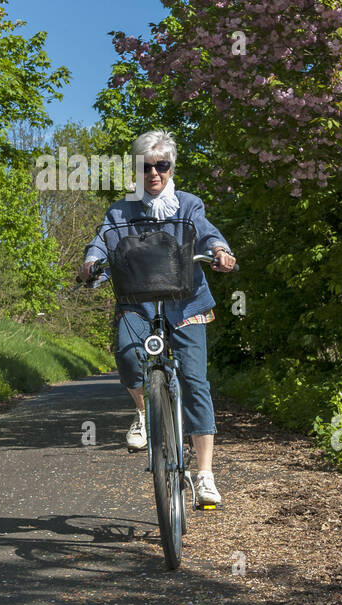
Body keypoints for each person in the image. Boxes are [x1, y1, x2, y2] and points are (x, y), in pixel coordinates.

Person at [77, 130, 236, 506]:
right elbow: (103, 240)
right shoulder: (121, 210)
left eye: (161, 166)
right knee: (130, 356)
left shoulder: (188, 204)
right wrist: (90, 263)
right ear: (137, 169)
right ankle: (143, 414)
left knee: (196, 382)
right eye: (146, 167)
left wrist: (219, 250)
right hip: (138, 301)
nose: (153, 174)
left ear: (171, 167)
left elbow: (206, 234)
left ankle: (205, 475)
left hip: (186, 304)